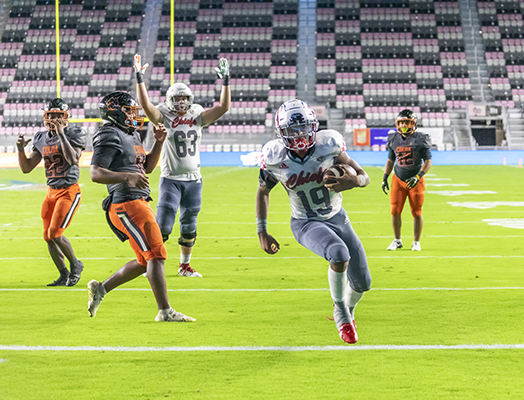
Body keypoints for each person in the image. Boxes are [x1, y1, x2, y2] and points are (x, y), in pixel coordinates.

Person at [256, 99, 371, 344]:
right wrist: (262, 231)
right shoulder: (274, 157)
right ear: (281, 133)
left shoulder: (329, 145)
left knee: (362, 282)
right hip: (305, 222)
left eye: (303, 128)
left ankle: (348, 310)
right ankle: (340, 312)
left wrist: (354, 182)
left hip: (338, 217)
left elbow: (364, 176)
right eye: (292, 131)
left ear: (314, 126)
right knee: (339, 254)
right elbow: (263, 191)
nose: (298, 136)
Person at [87, 91, 195, 322]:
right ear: (114, 112)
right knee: (157, 254)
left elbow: (146, 168)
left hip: (137, 201)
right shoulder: (108, 134)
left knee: (145, 260)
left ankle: (102, 289)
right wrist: (127, 177)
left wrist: (159, 142)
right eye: (129, 111)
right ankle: (165, 312)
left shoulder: (130, 134)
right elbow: (95, 173)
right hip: (126, 203)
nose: (134, 115)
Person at [133, 54, 231, 277]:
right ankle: (149, 261)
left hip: (194, 179)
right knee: (164, 226)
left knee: (189, 225)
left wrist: (226, 80)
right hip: (171, 178)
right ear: (169, 100)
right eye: (177, 98)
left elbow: (224, 106)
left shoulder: (197, 114)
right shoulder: (164, 115)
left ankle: (184, 265)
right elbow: (145, 106)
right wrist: (139, 78)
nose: (181, 102)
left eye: (184, 98)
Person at [16, 98, 85, 286]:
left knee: (55, 233)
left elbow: (73, 159)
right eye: (50, 115)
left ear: (66, 116)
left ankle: (75, 265)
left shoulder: (75, 132)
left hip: (69, 191)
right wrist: (21, 150)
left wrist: (62, 134)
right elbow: (27, 168)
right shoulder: (41, 137)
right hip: (51, 191)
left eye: (58, 115)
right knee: (48, 236)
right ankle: (63, 274)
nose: (54, 119)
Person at [382, 109, 432, 251]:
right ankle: (397, 240)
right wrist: (385, 177)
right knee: (395, 210)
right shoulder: (393, 138)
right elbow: (390, 160)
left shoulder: (421, 138)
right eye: (401, 122)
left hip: (415, 179)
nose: (403, 125)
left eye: (406, 122)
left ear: (413, 123)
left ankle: (416, 242)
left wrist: (418, 177)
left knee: (417, 212)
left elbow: (428, 162)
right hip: (398, 178)